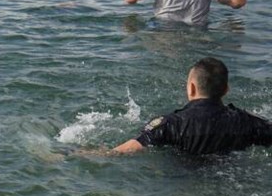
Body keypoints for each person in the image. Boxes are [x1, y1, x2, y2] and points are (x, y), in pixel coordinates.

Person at [113, 57, 272, 155]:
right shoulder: (246, 121)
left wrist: (90, 153)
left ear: (191, 88)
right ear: (226, 90)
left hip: (183, 184)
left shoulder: (171, 124)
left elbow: (127, 150)